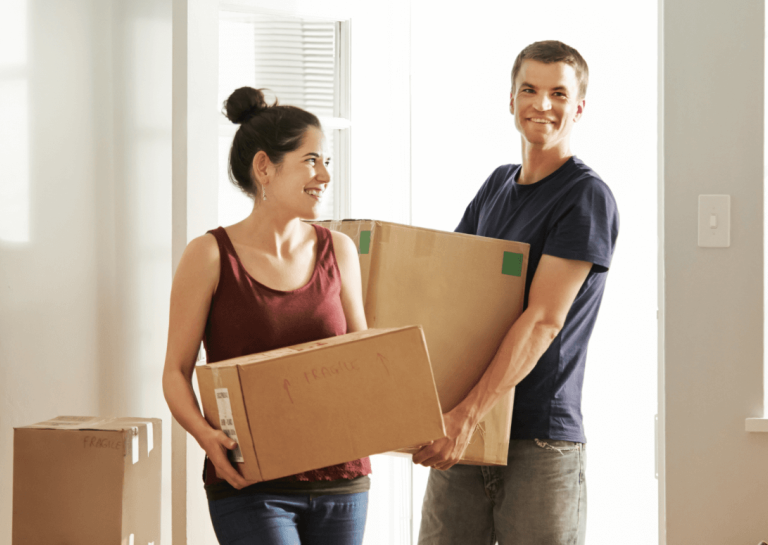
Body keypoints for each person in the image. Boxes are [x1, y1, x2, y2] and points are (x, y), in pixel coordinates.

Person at [413, 40, 620, 544]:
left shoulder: (585, 196)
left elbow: (544, 320)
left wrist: (465, 416)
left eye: (558, 93)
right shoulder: (497, 186)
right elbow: (448, 294)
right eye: (529, 89)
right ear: (510, 99)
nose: (542, 105)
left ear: (579, 107)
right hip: (467, 432)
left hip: (537, 439)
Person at [161, 86, 372, 545]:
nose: (325, 176)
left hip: (342, 480)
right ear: (264, 167)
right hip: (250, 483)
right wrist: (205, 438)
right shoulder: (209, 256)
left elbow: (364, 361)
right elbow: (175, 373)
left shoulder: (340, 250)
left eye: (327, 163)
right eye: (311, 161)